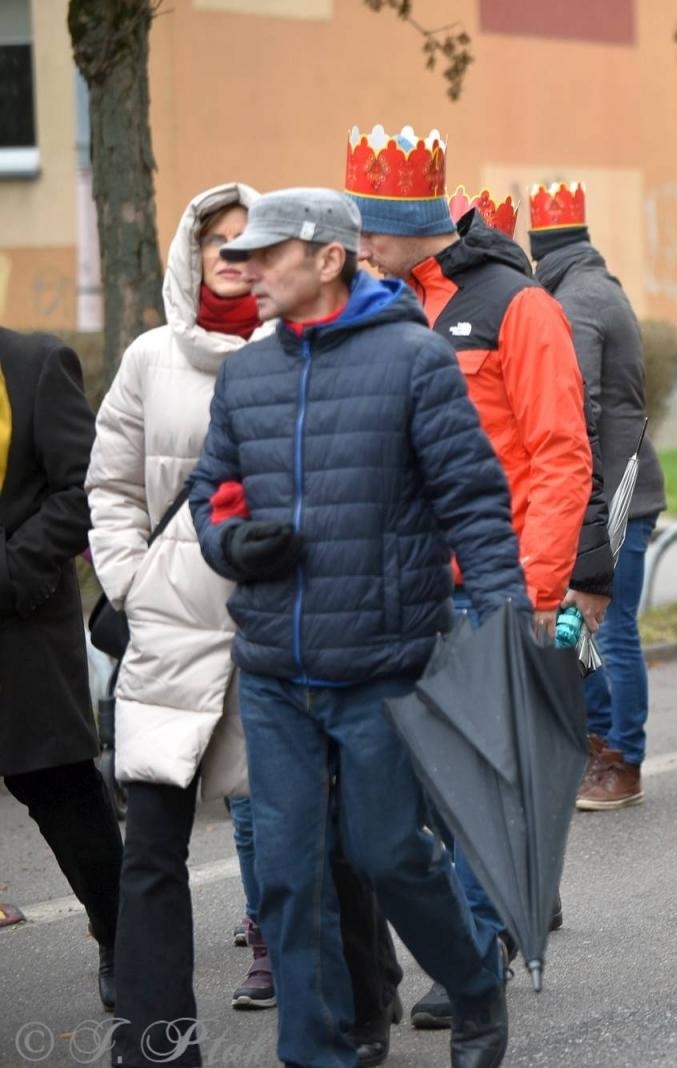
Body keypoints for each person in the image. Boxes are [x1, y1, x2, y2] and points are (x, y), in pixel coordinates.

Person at [190, 186, 521, 1068]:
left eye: (266, 254)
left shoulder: (414, 361)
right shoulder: (247, 374)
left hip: (383, 662)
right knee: (291, 880)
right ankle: (319, 1050)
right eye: (241, 256)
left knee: (386, 854)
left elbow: (475, 505)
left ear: (328, 258)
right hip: (273, 669)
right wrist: (230, 540)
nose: (246, 269)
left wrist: (505, 630)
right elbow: (209, 494)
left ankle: (475, 989)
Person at [88, 184, 404, 1067]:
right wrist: (134, 581)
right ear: (191, 256)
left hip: (287, 632)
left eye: (246, 239)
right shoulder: (150, 358)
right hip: (172, 637)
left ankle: (361, 1008)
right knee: (151, 850)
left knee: (321, 844)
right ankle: (156, 1044)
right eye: (213, 241)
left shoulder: (309, 347)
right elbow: (110, 487)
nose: (230, 254)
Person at [348, 133, 602, 1032]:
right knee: (398, 796)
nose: (358, 241)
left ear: (422, 221)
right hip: (394, 593)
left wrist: (532, 593)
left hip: (483, 590)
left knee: (478, 786)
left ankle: (473, 956)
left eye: (373, 225)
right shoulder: (373, 305)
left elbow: (561, 456)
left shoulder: (516, 306)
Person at [527, 181, 667, 811]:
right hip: (609, 487)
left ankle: (620, 759)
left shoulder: (578, 299)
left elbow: (572, 408)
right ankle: (595, 744)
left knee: (608, 630)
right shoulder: (587, 286)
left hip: (614, 491)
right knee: (580, 626)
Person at [0, 327, 123, 1010]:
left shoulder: (35, 363)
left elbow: (82, 488)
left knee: (60, 791)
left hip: (20, 622)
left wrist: (14, 572)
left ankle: (121, 933)